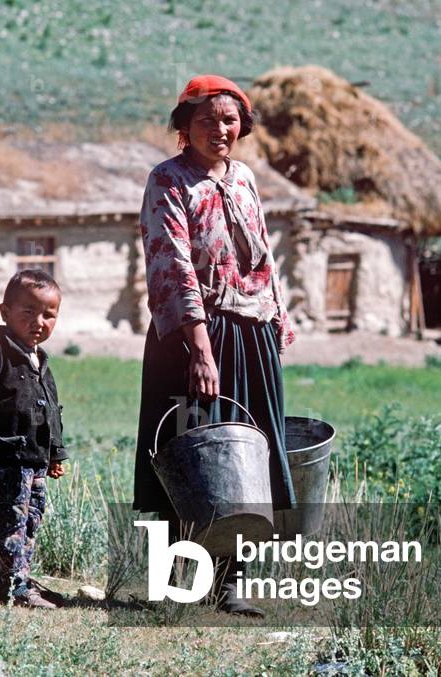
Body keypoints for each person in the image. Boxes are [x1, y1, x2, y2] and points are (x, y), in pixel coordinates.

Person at [134, 75, 296, 617]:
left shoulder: (245, 178)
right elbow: (172, 266)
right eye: (207, 120)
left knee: (245, 458)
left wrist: (277, 316)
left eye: (229, 120)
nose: (220, 130)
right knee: (185, 449)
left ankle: (233, 583)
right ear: (185, 127)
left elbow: (264, 255)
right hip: (191, 337)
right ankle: (174, 580)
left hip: (250, 333)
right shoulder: (168, 181)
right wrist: (200, 349)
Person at [0, 269, 68, 609]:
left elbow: (51, 410)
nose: (39, 321)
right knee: (10, 523)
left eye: (49, 315)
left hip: (34, 461)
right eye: (29, 312)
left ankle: (19, 574)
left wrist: (56, 453)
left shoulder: (40, 360)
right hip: (3, 461)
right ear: (5, 313)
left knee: (31, 519)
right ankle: (12, 585)